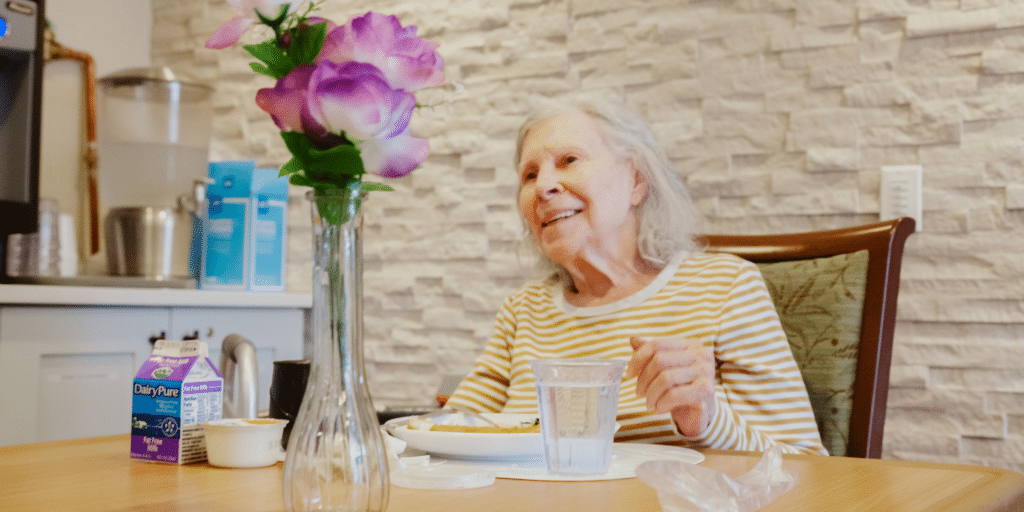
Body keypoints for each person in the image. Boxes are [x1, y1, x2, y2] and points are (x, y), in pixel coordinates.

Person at [445, 96, 827, 455]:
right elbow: (451, 432)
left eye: (568, 160)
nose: (543, 186)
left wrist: (706, 420)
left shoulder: (725, 287)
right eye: (529, 174)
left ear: (635, 181)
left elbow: (809, 467)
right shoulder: (523, 310)